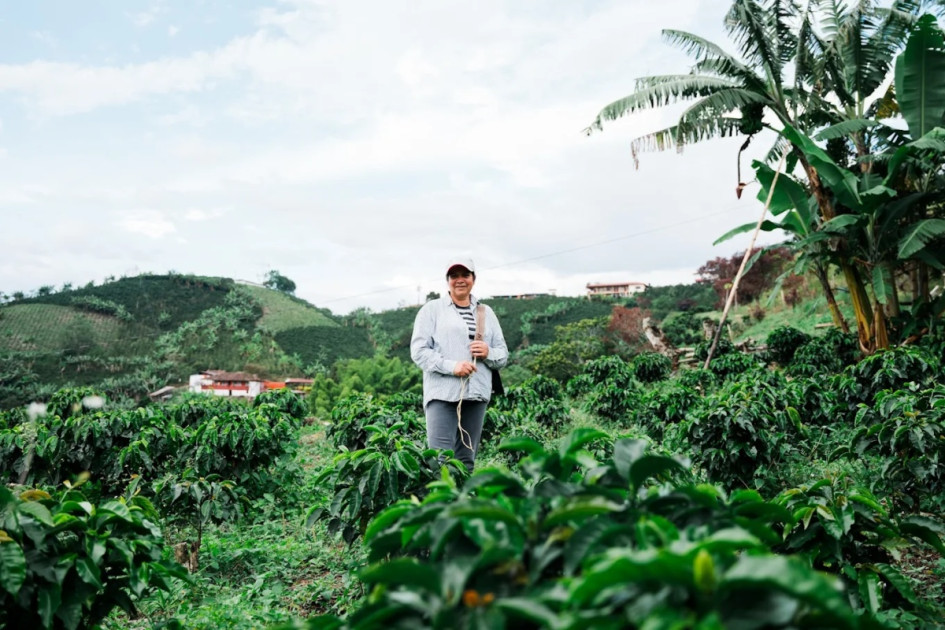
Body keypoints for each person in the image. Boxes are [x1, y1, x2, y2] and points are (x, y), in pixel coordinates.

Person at [410, 256, 508, 471]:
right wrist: (452, 367)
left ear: (474, 279)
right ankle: (441, 503)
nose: (460, 280)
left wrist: (487, 352)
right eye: (454, 276)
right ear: (448, 280)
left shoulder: (487, 313)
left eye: (465, 275)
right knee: (439, 459)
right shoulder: (432, 310)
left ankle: (463, 502)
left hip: (476, 393)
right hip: (442, 393)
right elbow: (418, 351)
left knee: (466, 460)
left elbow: (502, 355)